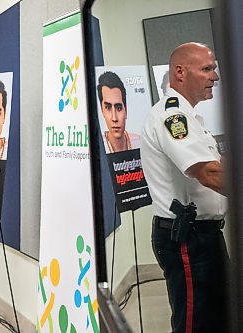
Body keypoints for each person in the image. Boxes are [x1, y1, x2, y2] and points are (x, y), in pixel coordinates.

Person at [141, 42, 227, 333]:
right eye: (206, 69)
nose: (214, 77)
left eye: (213, 69)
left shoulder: (192, 119)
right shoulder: (172, 116)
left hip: (205, 234)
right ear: (180, 72)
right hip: (187, 238)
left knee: (218, 316)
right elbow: (209, 173)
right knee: (195, 323)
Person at [97, 71, 140, 153]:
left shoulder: (139, 143)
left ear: (126, 110)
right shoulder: (99, 148)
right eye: (108, 108)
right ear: (102, 111)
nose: (114, 118)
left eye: (119, 108)